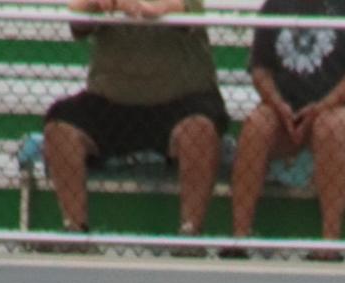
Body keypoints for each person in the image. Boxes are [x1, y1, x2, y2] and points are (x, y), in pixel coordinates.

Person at [43, 0, 228, 241]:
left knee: (200, 127)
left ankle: (190, 232)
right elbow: (78, 21)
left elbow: (191, 11)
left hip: (180, 99)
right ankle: (75, 229)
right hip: (112, 101)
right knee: (60, 124)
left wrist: (158, 9)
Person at [230, 0, 345, 256]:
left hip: (342, 109)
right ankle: (239, 237)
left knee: (329, 128)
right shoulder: (275, 5)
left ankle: (329, 242)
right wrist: (278, 104)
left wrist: (323, 105)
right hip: (286, 111)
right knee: (256, 126)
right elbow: (260, 67)